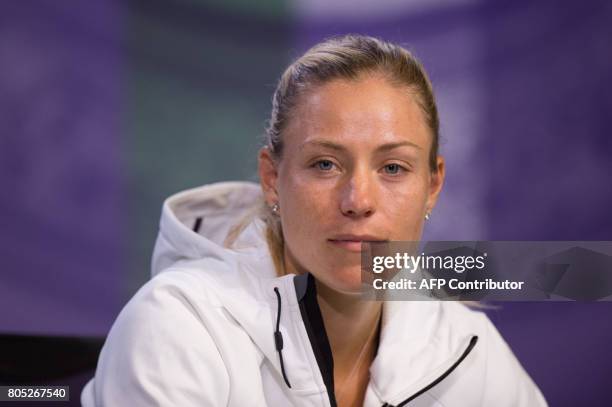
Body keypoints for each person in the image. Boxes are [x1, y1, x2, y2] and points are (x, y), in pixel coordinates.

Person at [81, 35, 547, 406]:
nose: (358, 200)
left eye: (393, 168)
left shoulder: (465, 345)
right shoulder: (178, 326)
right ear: (272, 179)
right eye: (325, 164)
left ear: (433, 185)